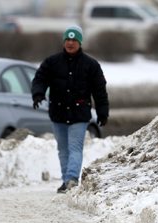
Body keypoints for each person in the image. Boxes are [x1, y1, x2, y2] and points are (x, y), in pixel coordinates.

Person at [32, 25, 109, 193]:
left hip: (79, 114)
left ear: (80, 43)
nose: (70, 43)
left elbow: (99, 90)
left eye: (74, 40)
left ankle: (72, 179)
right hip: (58, 113)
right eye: (68, 39)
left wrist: (103, 111)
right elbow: (40, 79)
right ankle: (66, 180)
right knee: (63, 149)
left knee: (74, 147)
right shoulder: (52, 62)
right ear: (64, 41)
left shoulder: (91, 65)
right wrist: (38, 93)